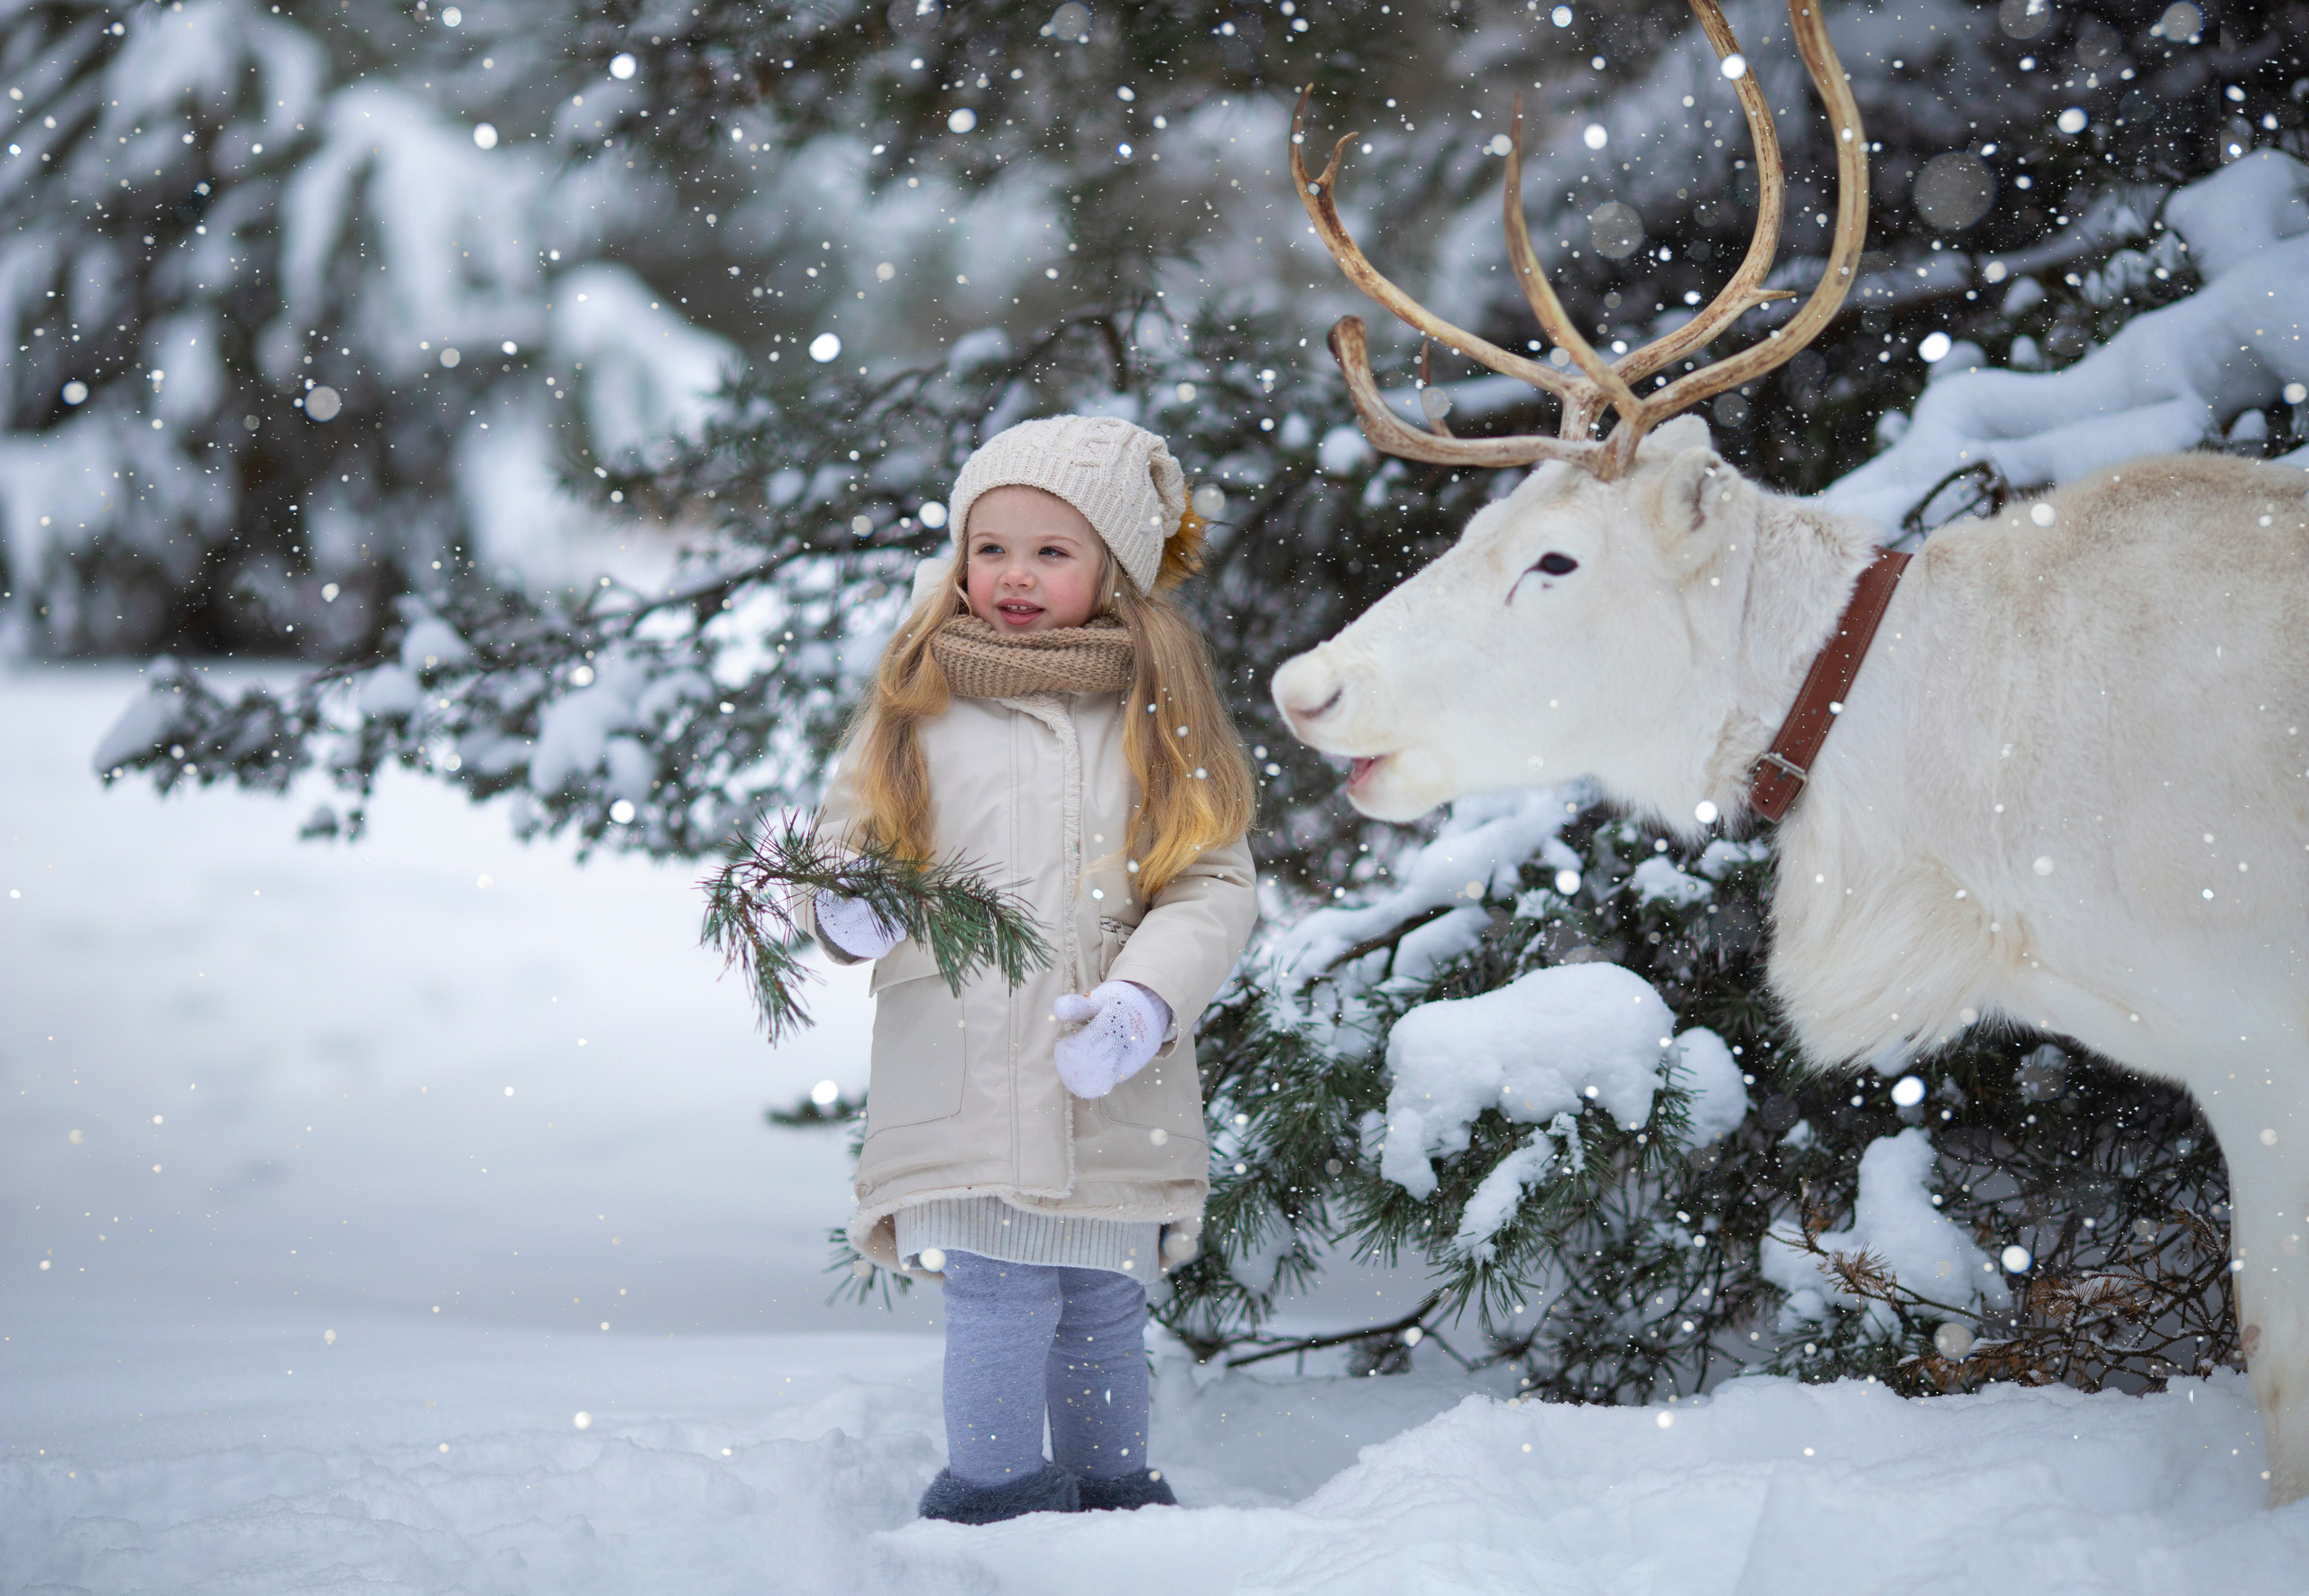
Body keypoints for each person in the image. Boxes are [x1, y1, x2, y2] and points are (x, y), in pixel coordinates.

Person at [805, 416, 1259, 1525]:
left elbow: (1210, 887)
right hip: (966, 1058)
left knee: (1103, 1297)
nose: (1012, 575)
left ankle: (1113, 1498)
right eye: (990, 546)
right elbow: (853, 835)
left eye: (1051, 552)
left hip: (1105, 1068)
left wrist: (1143, 1002)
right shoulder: (919, 694)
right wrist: (851, 903)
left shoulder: (1157, 709)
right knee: (999, 1291)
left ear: (1113, 565)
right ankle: (995, 1502)